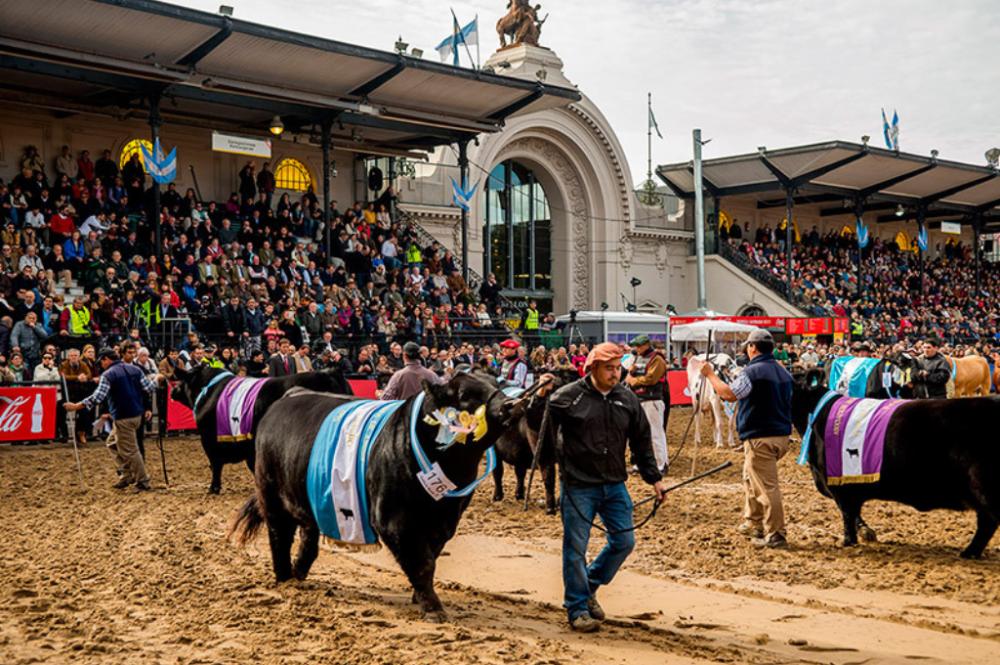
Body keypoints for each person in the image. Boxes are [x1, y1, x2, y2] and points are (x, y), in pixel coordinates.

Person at [547, 342, 668, 633]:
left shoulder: (627, 400)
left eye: (617, 369)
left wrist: (654, 479)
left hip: (614, 484)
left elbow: (641, 443)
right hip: (578, 485)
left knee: (624, 542)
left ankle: (587, 587)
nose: (615, 374)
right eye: (609, 369)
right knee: (575, 547)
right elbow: (545, 434)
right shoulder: (566, 399)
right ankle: (577, 608)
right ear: (593, 368)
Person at [700, 329, 793, 549]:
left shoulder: (752, 372)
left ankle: (776, 533)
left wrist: (711, 375)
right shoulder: (783, 372)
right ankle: (753, 521)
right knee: (750, 477)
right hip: (781, 435)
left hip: (760, 436)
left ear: (752, 347)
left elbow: (730, 394)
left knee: (766, 486)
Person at [65, 345, 161, 491]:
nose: (101, 365)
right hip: (137, 415)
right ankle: (126, 474)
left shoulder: (108, 375)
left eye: (101, 362)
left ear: (106, 359)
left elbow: (98, 397)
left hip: (123, 417)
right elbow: (148, 388)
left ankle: (142, 480)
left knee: (130, 450)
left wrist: (77, 406)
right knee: (112, 442)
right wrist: (158, 379)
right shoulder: (135, 369)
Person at [624, 335, 669, 473]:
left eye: (638, 346)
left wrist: (633, 381)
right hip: (639, 398)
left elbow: (651, 379)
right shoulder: (639, 358)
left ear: (646, 345)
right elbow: (633, 373)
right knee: (639, 433)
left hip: (652, 399)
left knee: (655, 433)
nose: (636, 349)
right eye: (635, 346)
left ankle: (661, 464)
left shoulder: (657, 359)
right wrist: (631, 372)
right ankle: (640, 463)